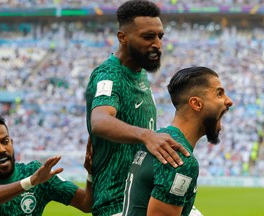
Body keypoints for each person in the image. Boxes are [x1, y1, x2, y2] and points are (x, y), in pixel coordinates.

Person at [85, 0, 189, 215]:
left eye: (160, 36)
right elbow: (100, 121)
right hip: (116, 204)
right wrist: (146, 136)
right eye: (148, 37)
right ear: (122, 37)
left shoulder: (139, 72)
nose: (158, 44)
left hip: (141, 198)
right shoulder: (110, 74)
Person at [122, 67, 233, 216]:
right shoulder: (177, 157)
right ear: (196, 104)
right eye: (219, 94)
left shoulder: (158, 140)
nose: (229, 101)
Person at [0, 113, 92, 215]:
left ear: (11, 143)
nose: (2, 149)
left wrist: (91, 174)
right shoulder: (34, 178)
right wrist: (30, 182)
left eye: (5, 141)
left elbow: (86, 203)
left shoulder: (35, 172)